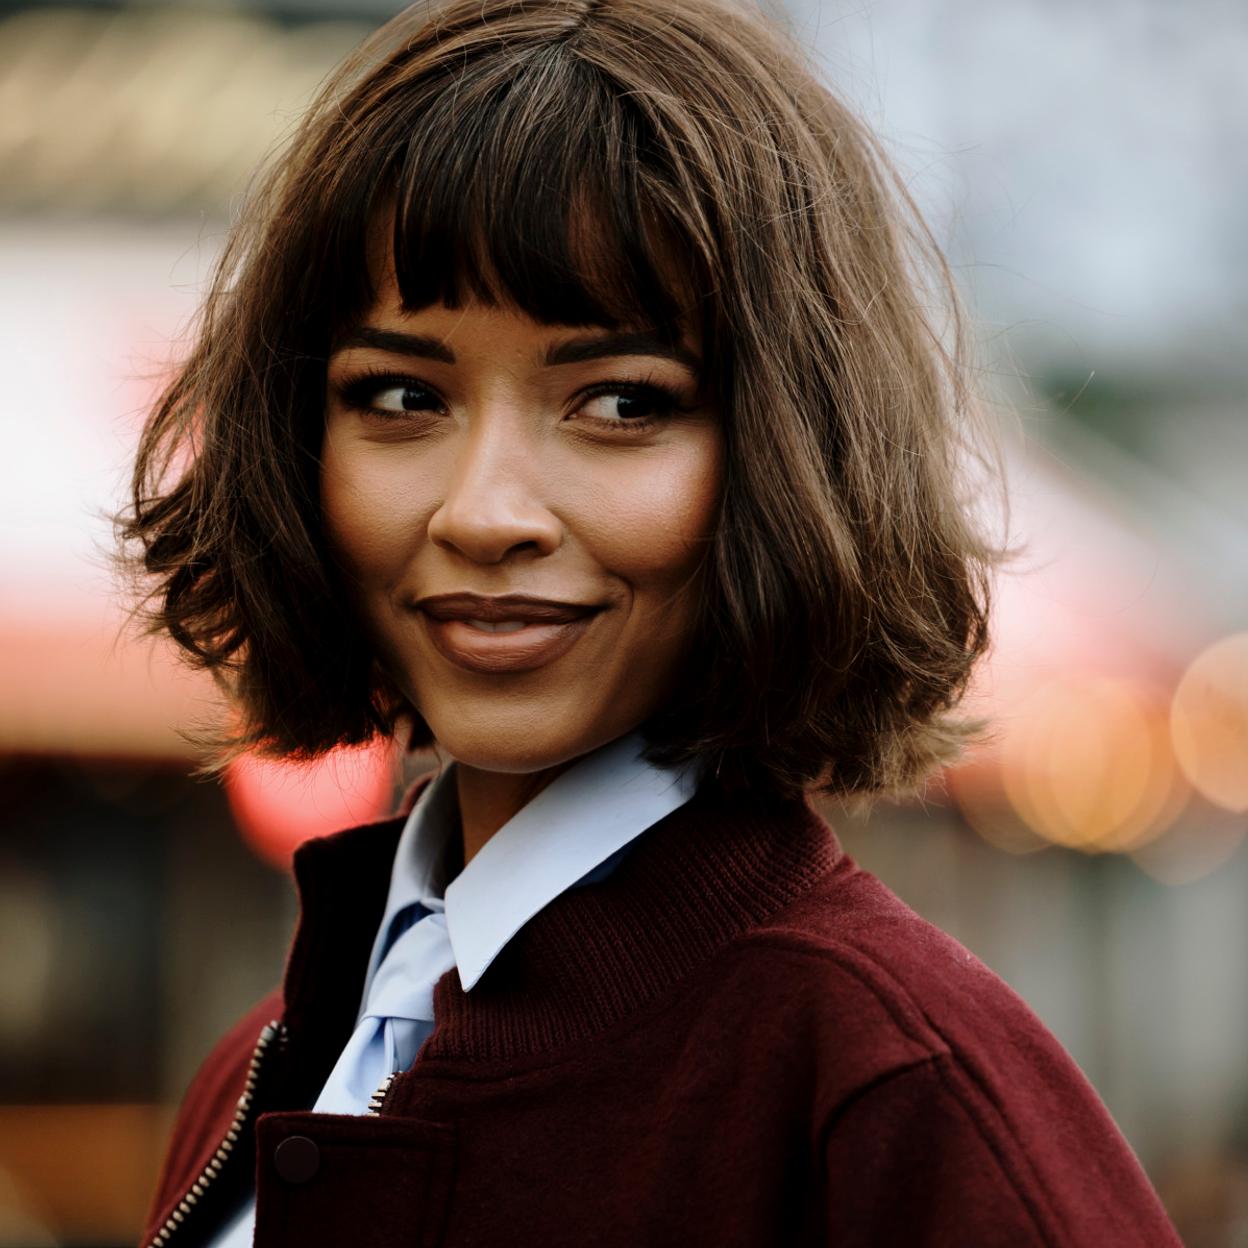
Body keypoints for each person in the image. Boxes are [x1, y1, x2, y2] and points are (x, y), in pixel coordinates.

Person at [120, 0, 1182, 1244]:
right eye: (401, 394)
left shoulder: (887, 1081)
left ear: (790, 454)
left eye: (620, 402)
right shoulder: (270, 1061)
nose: (485, 512)